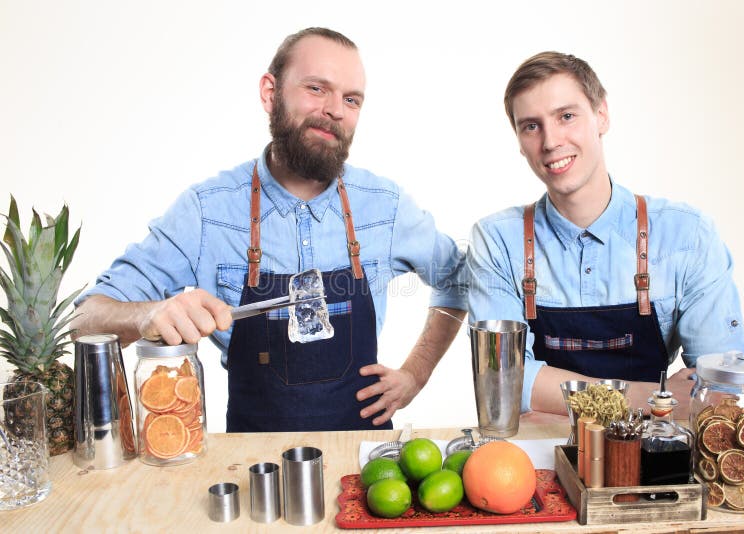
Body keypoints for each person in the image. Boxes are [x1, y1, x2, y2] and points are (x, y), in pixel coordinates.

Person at [71, 27, 467, 432]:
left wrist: (415, 374)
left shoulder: (385, 206)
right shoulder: (207, 211)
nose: (335, 110)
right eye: (317, 88)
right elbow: (86, 318)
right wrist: (149, 314)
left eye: (351, 99)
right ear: (269, 93)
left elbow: (460, 278)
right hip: (251, 469)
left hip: (364, 464)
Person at [467, 51, 744, 420]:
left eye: (566, 116)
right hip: (540, 463)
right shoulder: (497, 240)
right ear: (519, 141)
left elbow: (719, 389)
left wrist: (549, 397)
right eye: (531, 126)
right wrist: (654, 398)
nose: (551, 141)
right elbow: (504, 383)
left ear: (601, 115)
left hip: (655, 459)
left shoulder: (687, 235)